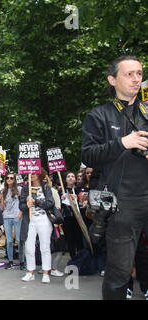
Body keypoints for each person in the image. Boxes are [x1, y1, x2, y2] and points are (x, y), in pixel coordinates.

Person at [81, 55, 147, 300]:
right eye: (128, 74)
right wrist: (123, 143)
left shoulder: (147, 111)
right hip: (121, 204)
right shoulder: (99, 116)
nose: (136, 79)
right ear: (112, 79)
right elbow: (88, 155)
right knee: (119, 273)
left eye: (139, 73)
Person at [19, 169, 55, 284]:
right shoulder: (25, 188)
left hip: (44, 220)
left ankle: (46, 272)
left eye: (33, 173)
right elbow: (21, 206)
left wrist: (36, 202)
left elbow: (50, 203)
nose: (31, 175)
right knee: (29, 247)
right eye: (29, 173)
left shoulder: (46, 187)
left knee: (45, 247)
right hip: (30, 221)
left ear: (39, 174)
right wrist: (26, 205)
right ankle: (30, 272)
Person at [0, 172, 23, 270]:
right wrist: (1, 198)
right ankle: (10, 261)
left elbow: (23, 203)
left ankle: (22, 261)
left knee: (19, 239)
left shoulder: (20, 189)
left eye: (11, 178)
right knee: (9, 240)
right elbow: (2, 207)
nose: (9, 179)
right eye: (7, 178)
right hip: (7, 217)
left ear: (15, 180)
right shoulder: (3, 191)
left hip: (17, 216)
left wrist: (20, 214)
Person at [60, 171, 83, 259]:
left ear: (75, 179)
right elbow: (58, 206)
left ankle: (80, 260)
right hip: (67, 218)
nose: (70, 178)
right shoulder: (61, 190)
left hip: (78, 218)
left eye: (72, 176)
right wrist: (62, 198)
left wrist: (77, 198)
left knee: (79, 240)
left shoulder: (78, 190)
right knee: (70, 240)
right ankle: (73, 259)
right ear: (65, 179)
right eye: (68, 176)